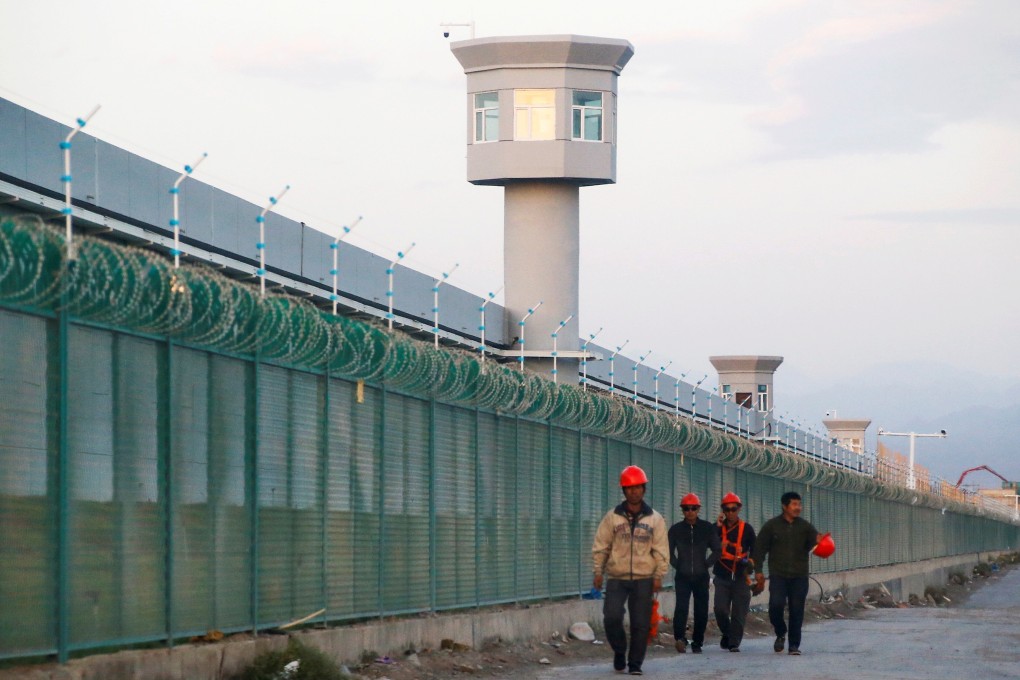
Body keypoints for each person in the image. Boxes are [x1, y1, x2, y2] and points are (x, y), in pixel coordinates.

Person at [593, 465, 670, 676]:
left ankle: (635, 663)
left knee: (640, 623)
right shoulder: (612, 518)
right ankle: (619, 650)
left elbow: (661, 550)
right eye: (629, 488)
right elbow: (601, 545)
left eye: (638, 487)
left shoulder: (655, 519)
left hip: (644, 578)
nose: (634, 492)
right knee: (612, 616)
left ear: (644, 489)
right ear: (623, 491)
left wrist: (658, 575)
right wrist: (598, 571)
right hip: (617, 577)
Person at [751, 491, 820, 656]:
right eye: (794, 504)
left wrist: (821, 541)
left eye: (799, 504)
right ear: (784, 506)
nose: (798, 508)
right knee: (775, 606)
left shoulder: (805, 527)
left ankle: (794, 645)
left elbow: (817, 545)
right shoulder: (771, 526)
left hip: (799, 576)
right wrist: (758, 571)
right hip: (778, 575)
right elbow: (759, 550)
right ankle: (781, 632)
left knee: (797, 610)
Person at [667, 492, 720, 654]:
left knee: (701, 610)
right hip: (682, 577)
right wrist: (679, 566)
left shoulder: (706, 528)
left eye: (693, 508)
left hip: (701, 576)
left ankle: (697, 642)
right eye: (686, 509)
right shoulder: (675, 530)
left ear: (698, 510)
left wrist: (706, 564)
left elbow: (717, 549)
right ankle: (680, 639)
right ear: (682, 510)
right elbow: (668, 552)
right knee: (681, 608)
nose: (690, 512)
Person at [712, 492, 756, 652]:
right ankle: (728, 633)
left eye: (733, 509)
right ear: (723, 510)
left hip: (740, 575)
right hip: (722, 575)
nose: (730, 512)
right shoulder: (717, 528)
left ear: (739, 509)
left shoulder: (747, 529)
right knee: (720, 609)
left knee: (739, 611)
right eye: (727, 509)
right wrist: (716, 526)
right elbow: (707, 541)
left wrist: (752, 564)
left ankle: (733, 643)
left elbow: (755, 549)